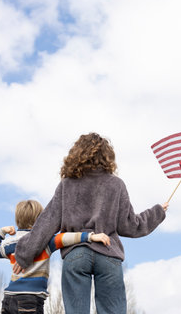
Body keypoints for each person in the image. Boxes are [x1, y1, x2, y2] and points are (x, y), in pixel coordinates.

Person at [14, 133, 168, 314]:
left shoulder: (67, 184)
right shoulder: (116, 184)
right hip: (109, 254)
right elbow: (130, 225)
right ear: (107, 157)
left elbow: (46, 223)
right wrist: (157, 213)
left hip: (76, 254)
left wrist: (24, 255)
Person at [0, 199, 111, 314]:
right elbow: (65, 238)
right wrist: (90, 236)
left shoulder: (10, 244)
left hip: (8, 298)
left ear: (17, 220)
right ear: (41, 219)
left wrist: (2, 231)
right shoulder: (44, 242)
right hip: (30, 299)